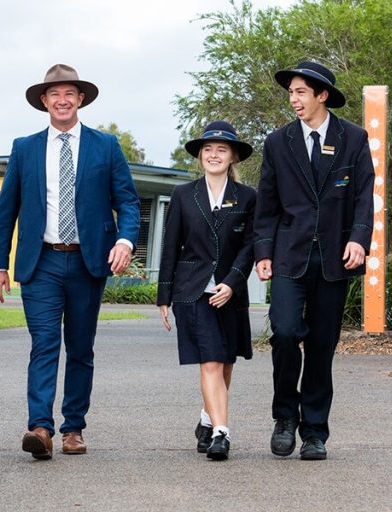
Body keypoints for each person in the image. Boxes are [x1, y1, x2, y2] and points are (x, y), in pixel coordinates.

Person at [0, 64, 140, 460]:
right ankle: (40, 427)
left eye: (69, 93)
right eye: (54, 94)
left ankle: (73, 427)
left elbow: (126, 200)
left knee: (80, 348)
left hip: (88, 263)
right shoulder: (24, 148)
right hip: (40, 264)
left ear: (81, 99)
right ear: (44, 101)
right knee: (44, 343)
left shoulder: (105, 146)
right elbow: (7, 210)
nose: (62, 100)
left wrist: (125, 239)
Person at [254, 61, 374, 461]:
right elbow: (267, 206)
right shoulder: (277, 142)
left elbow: (363, 197)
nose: (294, 99)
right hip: (289, 255)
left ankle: (315, 432)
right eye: (291, 92)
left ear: (322, 95)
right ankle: (285, 417)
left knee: (322, 346)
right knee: (286, 333)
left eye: (301, 92)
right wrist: (263, 252)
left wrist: (359, 240)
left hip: (335, 258)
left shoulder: (353, 139)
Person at [157, 121, 256, 461]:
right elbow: (170, 247)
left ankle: (206, 418)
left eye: (222, 149)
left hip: (232, 292)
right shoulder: (184, 195)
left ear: (232, 157)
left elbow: (251, 246)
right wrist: (164, 297)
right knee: (211, 361)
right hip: (192, 292)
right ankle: (221, 433)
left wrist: (232, 282)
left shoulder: (248, 197)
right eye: (208, 149)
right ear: (200, 155)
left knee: (226, 361)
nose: (214, 155)